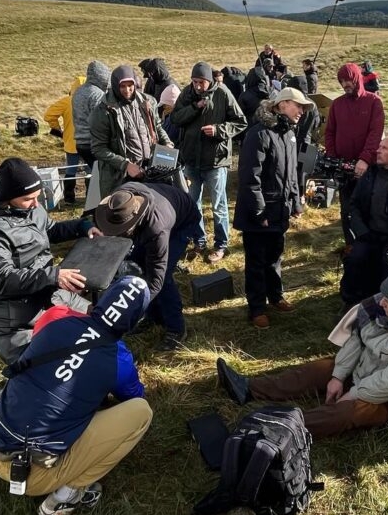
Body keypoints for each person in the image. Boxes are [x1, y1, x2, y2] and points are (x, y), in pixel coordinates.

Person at [0, 276, 154, 515]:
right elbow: (134, 396)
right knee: (141, 412)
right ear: (135, 321)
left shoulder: (57, 316)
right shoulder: (118, 358)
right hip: (35, 476)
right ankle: (67, 494)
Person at [215, 269, 388, 438]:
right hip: (363, 373)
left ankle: (280, 429)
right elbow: (357, 340)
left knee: (346, 412)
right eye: (384, 298)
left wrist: (354, 393)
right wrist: (338, 377)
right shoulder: (380, 306)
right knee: (318, 370)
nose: (382, 304)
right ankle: (248, 387)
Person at [0, 158, 101, 364]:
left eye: (38, 196)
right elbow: (1, 280)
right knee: (47, 368)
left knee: (98, 327)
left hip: (48, 293)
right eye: (28, 198)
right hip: (13, 317)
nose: (36, 203)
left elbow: (50, 230)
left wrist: (82, 227)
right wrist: (54, 276)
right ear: (7, 198)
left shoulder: (32, 209)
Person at [234, 87, 312, 329]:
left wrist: (296, 202)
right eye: (298, 106)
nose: (301, 111)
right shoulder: (258, 134)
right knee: (256, 261)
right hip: (260, 213)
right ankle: (257, 307)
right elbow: (249, 177)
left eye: (303, 107)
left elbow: (291, 174)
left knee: (275, 256)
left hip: (281, 210)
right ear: (282, 105)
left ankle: (275, 296)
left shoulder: (289, 134)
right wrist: (259, 212)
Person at [94, 181, 200, 350]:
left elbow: (157, 279)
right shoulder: (119, 200)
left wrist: (134, 308)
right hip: (161, 212)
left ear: (135, 223)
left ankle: (176, 329)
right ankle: (154, 316)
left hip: (183, 221)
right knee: (139, 264)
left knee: (163, 279)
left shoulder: (157, 228)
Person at [170, 61, 247, 263]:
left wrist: (218, 131)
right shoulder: (187, 94)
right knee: (192, 204)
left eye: (201, 82)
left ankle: (221, 245)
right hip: (191, 160)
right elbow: (176, 118)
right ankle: (199, 241)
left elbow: (240, 122)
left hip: (216, 161)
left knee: (218, 205)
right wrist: (195, 107)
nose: (197, 86)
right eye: (194, 82)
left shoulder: (222, 93)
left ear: (210, 80)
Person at [340, 134, 388, 309]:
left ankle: (385, 308)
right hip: (368, 234)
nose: (377, 151)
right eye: (379, 147)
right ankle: (351, 305)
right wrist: (361, 232)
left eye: (384, 148)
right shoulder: (370, 173)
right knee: (355, 258)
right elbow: (353, 205)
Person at [90, 64, 172, 200]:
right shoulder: (103, 112)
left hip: (149, 170)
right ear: (115, 85)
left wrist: (167, 143)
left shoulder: (147, 102)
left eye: (130, 85)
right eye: (123, 86)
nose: (127, 90)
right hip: (121, 177)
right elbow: (98, 148)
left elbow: (157, 127)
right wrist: (126, 165)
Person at [324, 62, 385, 242]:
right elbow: (330, 132)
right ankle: (351, 247)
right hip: (344, 168)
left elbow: (376, 133)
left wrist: (365, 159)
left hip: (367, 169)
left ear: (356, 78)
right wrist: (333, 158)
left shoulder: (374, 102)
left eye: (348, 80)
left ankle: (368, 247)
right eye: (341, 81)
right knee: (346, 209)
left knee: (367, 208)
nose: (345, 85)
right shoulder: (337, 104)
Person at [43, 75, 86, 205]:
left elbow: (48, 115)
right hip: (89, 143)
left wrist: (57, 129)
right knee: (91, 171)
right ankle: (91, 198)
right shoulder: (92, 99)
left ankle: (69, 199)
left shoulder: (67, 101)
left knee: (70, 171)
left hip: (71, 143)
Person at [72, 61, 112, 171]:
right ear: (102, 76)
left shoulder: (79, 91)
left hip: (81, 143)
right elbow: (101, 121)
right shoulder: (97, 95)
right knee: (104, 174)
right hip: (94, 143)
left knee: (95, 172)